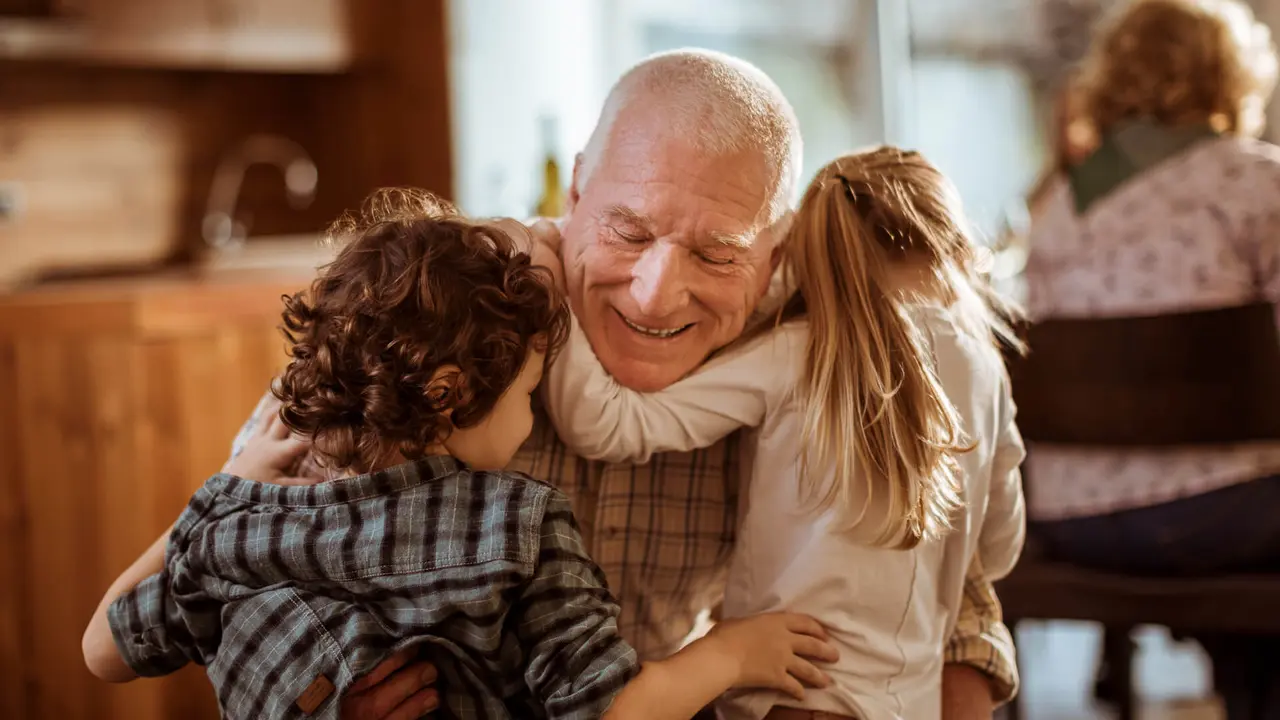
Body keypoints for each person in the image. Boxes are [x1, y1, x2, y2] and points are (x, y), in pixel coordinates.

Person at [190, 49, 1020, 719]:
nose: (658, 293)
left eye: (716, 253)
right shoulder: (449, 308)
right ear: (578, 187)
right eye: (628, 231)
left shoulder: (807, 340)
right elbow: (233, 560)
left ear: (776, 252)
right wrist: (322, 694)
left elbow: (953, 565)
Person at [81, 189, 840, 719]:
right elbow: (609, 711)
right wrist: (733, 656)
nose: (529, 422)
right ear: (449, 394)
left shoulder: (250, 514)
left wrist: (228, 490)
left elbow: (102, 648)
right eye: (528, 394)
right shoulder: (517, 524)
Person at [539, 146, 1027, 720]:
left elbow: (603, 424)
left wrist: (545, 271)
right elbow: (998, 549)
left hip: (790, 692)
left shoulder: (796, 351)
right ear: (950, 241)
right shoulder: (985, 369)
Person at [1021, 0, 1280, 716]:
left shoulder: (1059, 206)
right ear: (1232, 77)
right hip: (1226, 512)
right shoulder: (1258, 181)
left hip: (1071, 516)